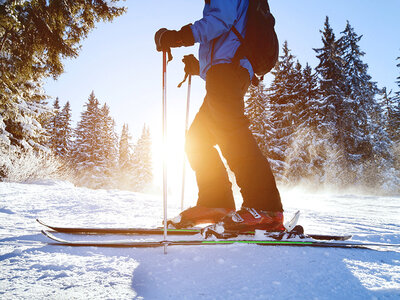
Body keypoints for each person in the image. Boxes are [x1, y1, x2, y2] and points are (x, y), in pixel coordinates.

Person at [154, 0, 283, 232]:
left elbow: (219, 21)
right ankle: (216, 202)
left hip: (229, 71)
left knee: (231, 133)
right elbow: (228, 37)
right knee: (197, 140)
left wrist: (179, 37)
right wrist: (200, 67)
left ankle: (266, 208)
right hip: (224, 71)